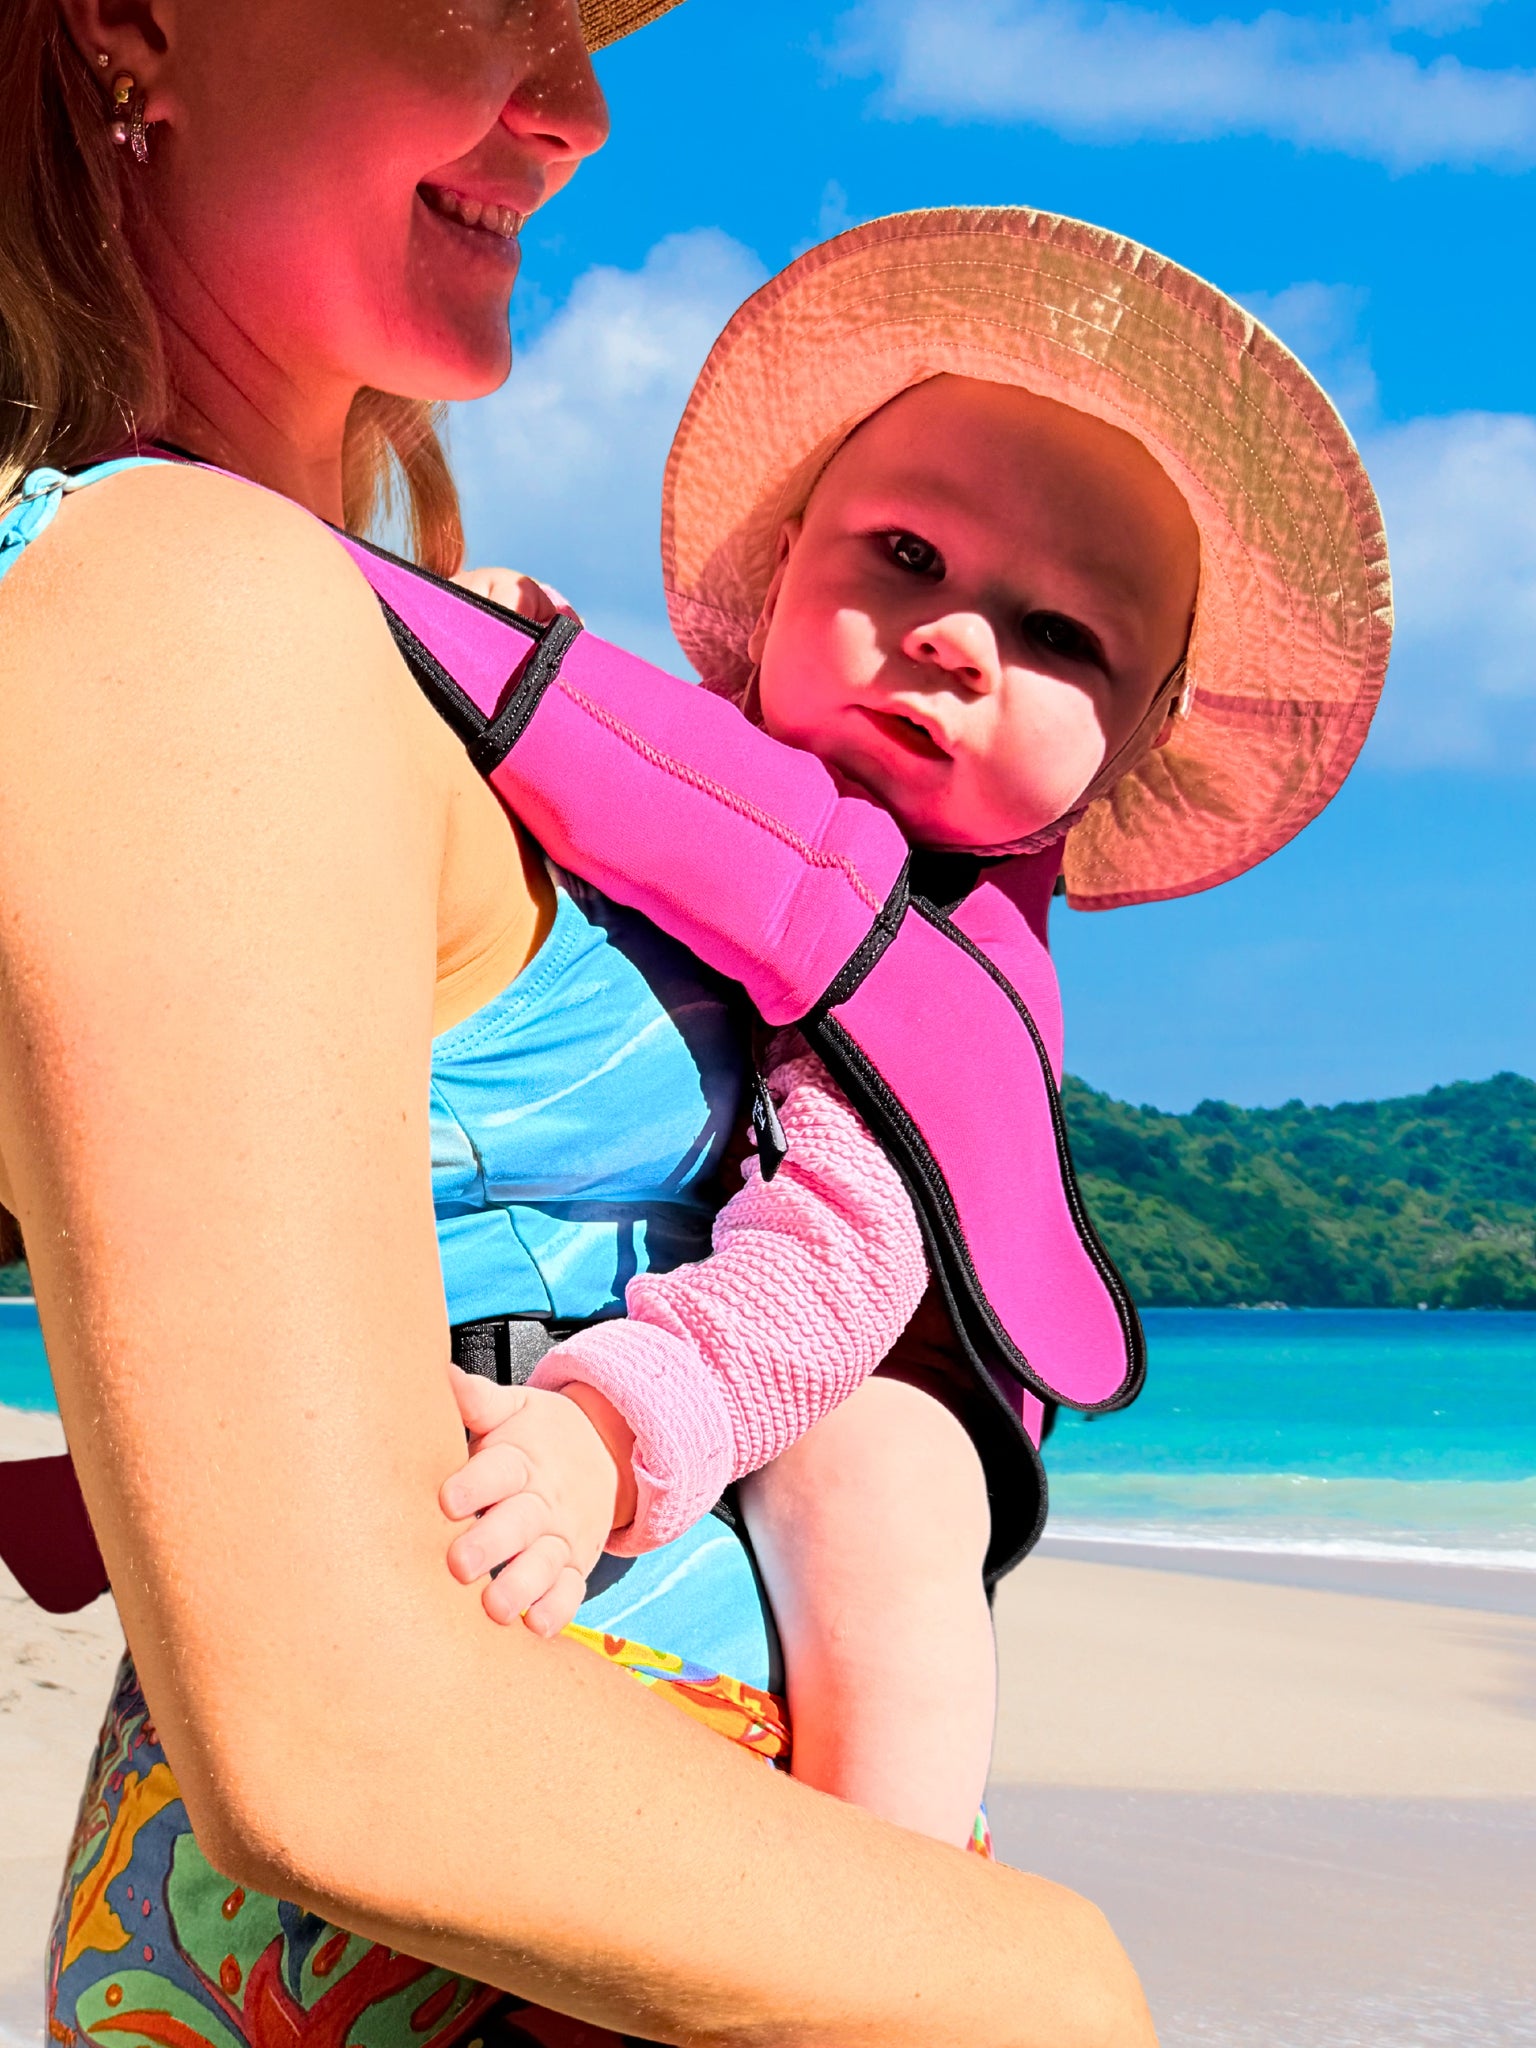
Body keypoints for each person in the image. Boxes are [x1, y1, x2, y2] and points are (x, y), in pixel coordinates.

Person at [0, 7, 1161, 2046]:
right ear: (129, 18)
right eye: (488, 0)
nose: (578, 110)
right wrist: (1038, 1988)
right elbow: (342, 1742)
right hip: (490, 1935)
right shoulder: (181, 603)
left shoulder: (345, 629)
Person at [431, 211, 1393, 1848]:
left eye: (1060, 636)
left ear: (1138, 735)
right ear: (783, 562)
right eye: (903, 556)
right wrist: (493, 640)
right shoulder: (695, 773)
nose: (954, 640)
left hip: (872, 1354)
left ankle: (886, 1895)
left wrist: (601, 1439)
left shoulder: (934, 954)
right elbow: (581, 738)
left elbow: (835, 1269)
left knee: (875, 1470)